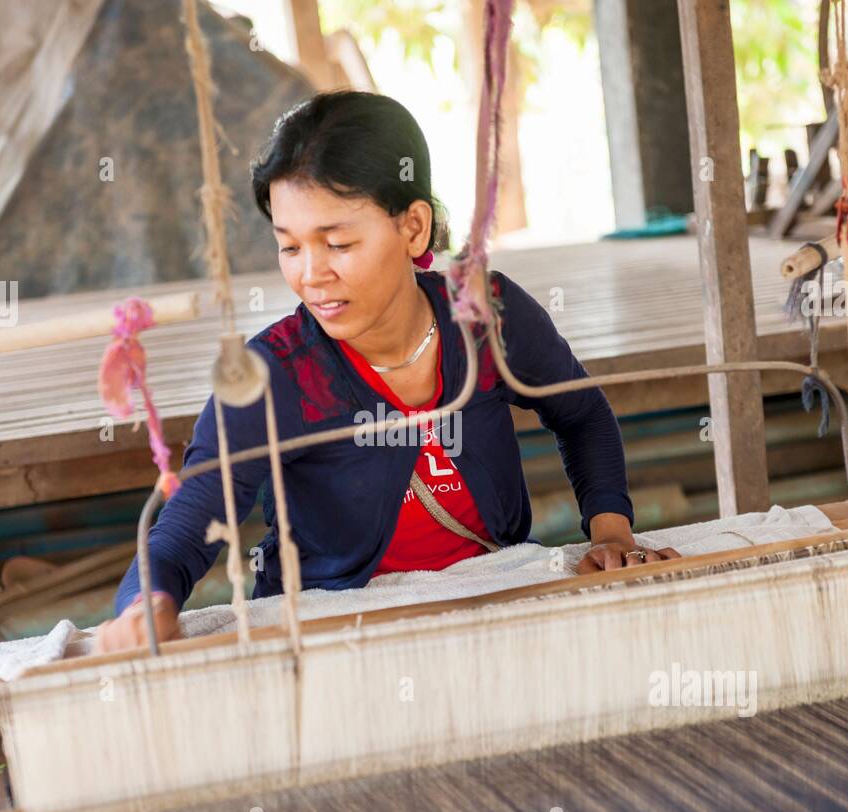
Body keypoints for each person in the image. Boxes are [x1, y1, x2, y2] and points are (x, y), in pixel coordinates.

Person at [94, 90, 678, 653]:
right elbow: (187, 525)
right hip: (341, 644)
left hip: (494, 614)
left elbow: (581, 413)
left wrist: (610, 534)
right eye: (290, 247)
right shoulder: (270, 375)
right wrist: (148, 606)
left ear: (413, 228)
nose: (311, 274)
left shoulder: (484, 315)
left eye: (338, 243)